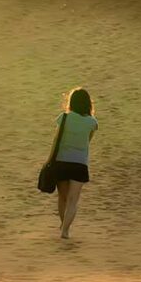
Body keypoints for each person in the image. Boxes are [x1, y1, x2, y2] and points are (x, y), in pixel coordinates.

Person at [50, 88, 98, 240]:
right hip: (79, 163)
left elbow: (55, 141)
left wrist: (50, 159)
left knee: (62, 197)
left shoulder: (64, 118)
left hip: (62, 161)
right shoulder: (92, 122)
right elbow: (88, 141)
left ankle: (64, 225)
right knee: (73, 200)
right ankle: (65, 230)